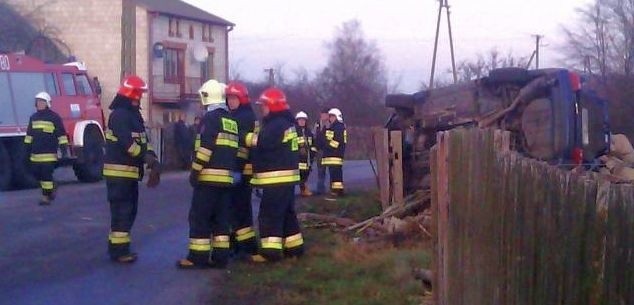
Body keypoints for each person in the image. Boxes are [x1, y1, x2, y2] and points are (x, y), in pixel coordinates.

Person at [178, 79, 239, 269]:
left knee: (200, 218)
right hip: (226, 180)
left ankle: (198, 257)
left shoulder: (210, 119)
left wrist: (195, 172)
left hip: (208, 178)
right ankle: (220, 258)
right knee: (221, 220)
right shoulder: (231, 121)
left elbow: (205, 149)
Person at [103, 75, 161, 263]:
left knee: (128, 211)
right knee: (122, 212)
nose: (140, 98)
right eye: (138, 94)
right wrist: (145, 158)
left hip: (129, 175)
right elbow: (128, 144)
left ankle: (118, 249)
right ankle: (119, 252)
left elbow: (143, 141)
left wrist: (152, 158)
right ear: (130, 94)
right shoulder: (119, 115)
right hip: (119, 174)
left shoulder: (134, 116)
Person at [246, 87, 303, 262]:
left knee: (269, 214)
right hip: (287, 179)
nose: (262, 109)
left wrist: (244, 137)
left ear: (273, 106)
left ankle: (270, 253)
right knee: (287, 214)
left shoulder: (276, 125)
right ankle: (294, 248)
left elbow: (263, 142)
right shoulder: (287, 123)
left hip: (276, 178)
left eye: (264, 105)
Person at [225, 81, 258, 258]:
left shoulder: (242, 117)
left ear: (242, 99)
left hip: (240, 169)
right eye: (229, 98)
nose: (230, 101)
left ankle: (244, 247)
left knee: (238, 209)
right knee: (239, 209)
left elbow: (241, 146)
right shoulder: (244, 115)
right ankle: (243, 244)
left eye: (234, 98)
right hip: (243, 169)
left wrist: (235, 167)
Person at [23, 91, 68, 206]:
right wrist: (26, 150)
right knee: (37, 175)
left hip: (49, 154)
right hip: (35, 155)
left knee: (46, 175)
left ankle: (46, 196)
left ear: (47, 103)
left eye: (41, 102)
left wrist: (64, 151)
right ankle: (51, 187)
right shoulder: (33, 118)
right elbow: (29, 136)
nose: (39, 104)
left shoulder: (54, 117)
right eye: (37, 102)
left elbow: (61, 135)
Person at [322, 108, 346, 200]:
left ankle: (337, 192)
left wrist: (326, 145)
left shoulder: (339, 127)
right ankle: (336, 191)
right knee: (334, 174)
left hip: (335, 155)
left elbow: (336, 142)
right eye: (330, 116)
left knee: (336, 174)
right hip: (332, 155)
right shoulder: (332, 127)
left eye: (332, 116)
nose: (330, 118)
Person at [295, 111, 316, 197]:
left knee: (306, 173)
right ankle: (303, 189)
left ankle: (303, 189)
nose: (302, 122)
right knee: (301, 173)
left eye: (303, 120)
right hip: (299, 158)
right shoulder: (295, 131)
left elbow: (313, 143)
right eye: (300, 120)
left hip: (308, 158)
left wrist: (313, 152)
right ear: (297, 121)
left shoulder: (308, 132)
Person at [312, 107, 330, 195]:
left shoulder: (330, 124)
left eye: (326, 114)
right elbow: (314, 134)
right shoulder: (317, 124)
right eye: (322, 114)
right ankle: (320, 189)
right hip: (319, 150)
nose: (324, 116)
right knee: (320, 170)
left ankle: (332, 188)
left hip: (327, 150)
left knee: (330, 169)